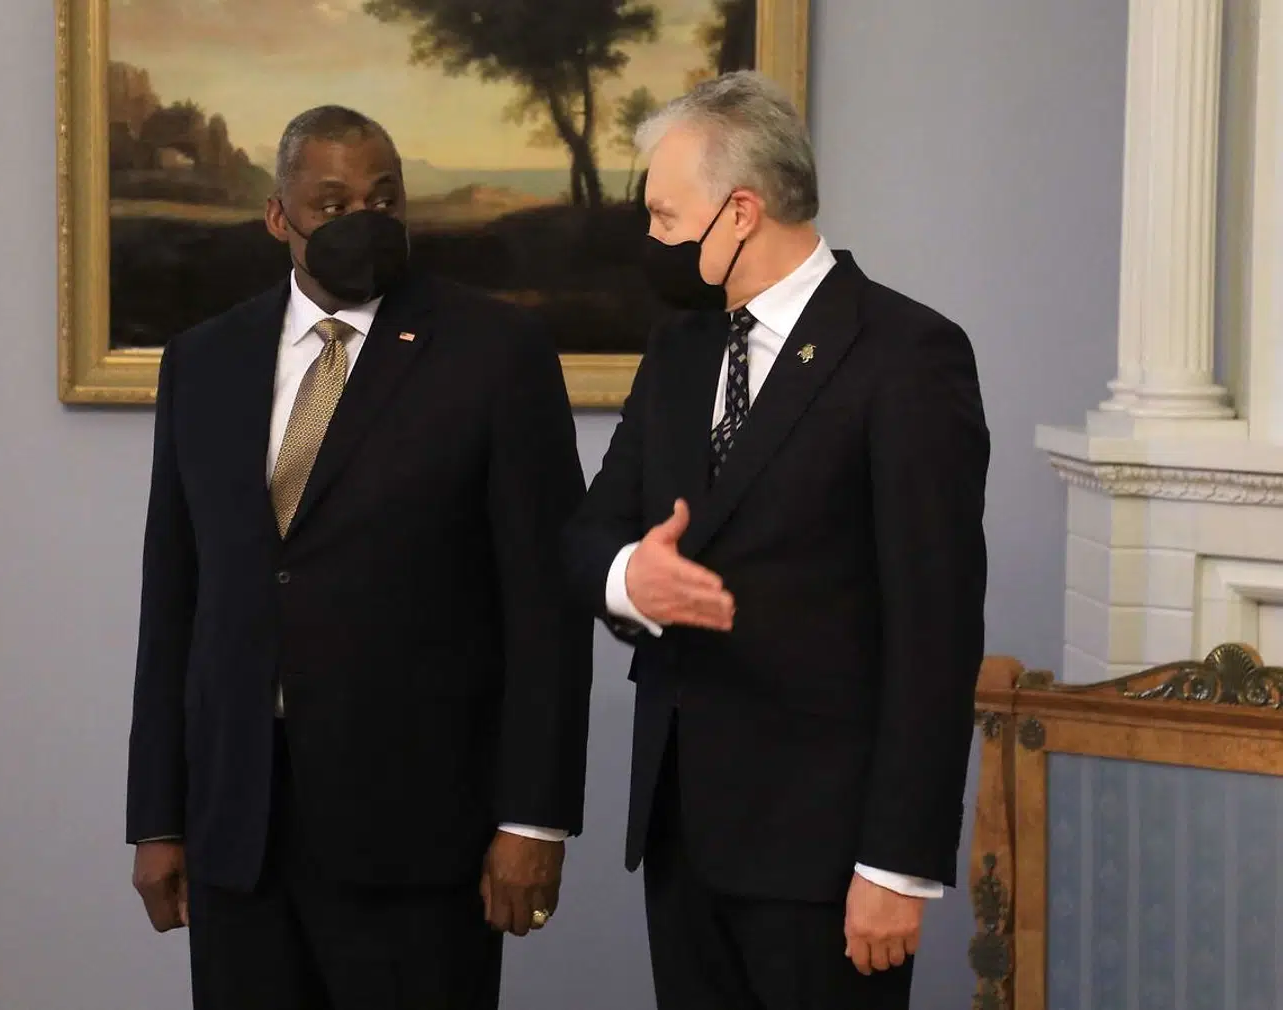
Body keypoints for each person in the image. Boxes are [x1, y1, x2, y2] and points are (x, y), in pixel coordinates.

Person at [126, 105, 593, 1010]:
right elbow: (174, 600)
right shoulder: (203, 361)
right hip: (238, 829)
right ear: (279, 217)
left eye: (384, 199)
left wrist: (534, 818)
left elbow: (545, 602)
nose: (364, 222)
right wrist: (158, 817)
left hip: (420, 833)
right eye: (333, 205)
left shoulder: (496, 352)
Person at [563, 72, 989, 1010]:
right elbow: (590, 531)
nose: (651, 240)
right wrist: (632, 577)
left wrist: (898, 866)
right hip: (682, 835)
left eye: (665, 217)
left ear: (741, 211)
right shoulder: (678, 349)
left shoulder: (907, 354)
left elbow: (937, 628)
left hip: (830, 858)